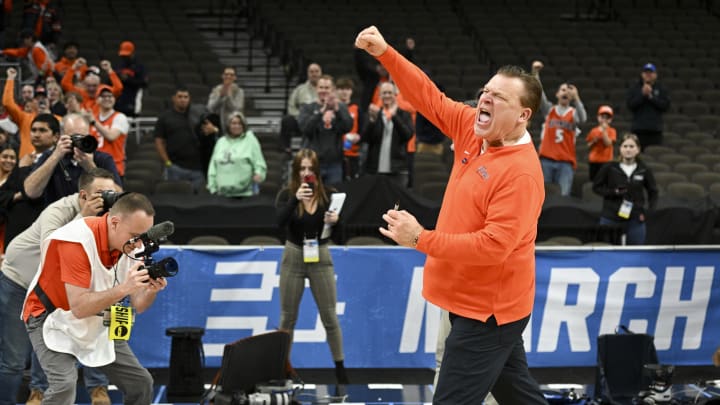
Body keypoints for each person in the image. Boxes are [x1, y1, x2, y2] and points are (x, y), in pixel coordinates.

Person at [356, 26, 548, 404]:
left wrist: (419, 238)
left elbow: (494, 247)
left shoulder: (522, 173)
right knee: (518, 396)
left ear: (523, 114)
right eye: (485, 92)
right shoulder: (473, 130)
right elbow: (429, 98)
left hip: (487, 314)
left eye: (499, 98)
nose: (485, 100)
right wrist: (386, 54)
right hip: (471, 303)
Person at [23, 192, 163, 403]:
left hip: (98, 316)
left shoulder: (134, 243)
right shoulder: (75, 240)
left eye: (143, 236)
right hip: (52, 316)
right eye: (135, 236)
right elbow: (79, 307)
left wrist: (150, 291)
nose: (138, 244)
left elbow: (139, 305)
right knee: (64, 385)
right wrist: (125, 288)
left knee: (141, 382)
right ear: (114, 222)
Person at [0, 168, 117, 405]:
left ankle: (97, 388)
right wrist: (83, 217)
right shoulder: (59, 210)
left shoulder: (111, 216)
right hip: (21, 280)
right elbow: (51, 251)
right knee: (14, 358)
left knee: (90, 332)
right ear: (83, 195)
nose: (106, 199)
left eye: (111, 194)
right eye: (100, 194)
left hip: (61, 289)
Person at [275, 148, 348, 384]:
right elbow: (278, 223)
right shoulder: (287, 194)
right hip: (294, 254)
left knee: (329, 317)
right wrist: (296, 199)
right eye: (302, 169)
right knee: (287, 318)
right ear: (297, 171)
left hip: (321, 255)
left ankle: (340, 369)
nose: (307, 173)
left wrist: (336, 223)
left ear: (317, 171)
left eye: (310, 169)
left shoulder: (328, 196)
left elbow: (341, 236)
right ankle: (281, 368)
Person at [23, 113, 122, 206]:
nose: (78, 142)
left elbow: (118, 197)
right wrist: (55, 157)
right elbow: (31, 192)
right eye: (73, 137)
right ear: (61, 136)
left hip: (93, 219)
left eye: (83, 137)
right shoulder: (50, 156)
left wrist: (91, 168)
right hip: (59, 218)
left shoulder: (102, 158)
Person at [592, 133, 658, 245]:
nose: (628, 149)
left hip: (635, 219)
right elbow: (596, 187)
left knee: (636, 256)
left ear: (638, 150)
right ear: (620, 149)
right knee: (607, 255)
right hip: (610, 217)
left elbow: (653, 192)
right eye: (625, 146)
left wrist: (648, 212)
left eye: (632, 146)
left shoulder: (644, 169)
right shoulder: (609, 167)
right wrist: (614, 192)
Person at [533, 61, 587, 196]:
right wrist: (535, 73)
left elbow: (583, 119)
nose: (565, 93)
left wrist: (577, 98)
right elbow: (539, 95)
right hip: (546, 160)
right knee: (542, 196)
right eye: (563, 90)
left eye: (568, 91)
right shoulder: (550, 111)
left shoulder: (573, 113)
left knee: (563, 196)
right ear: (557, 94)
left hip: (566, 163)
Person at [153, 87, 212, 192]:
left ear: (189, 99)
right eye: (180, 97)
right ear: (173, 99)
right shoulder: (165, 117)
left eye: (186, 97)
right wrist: (167, 163)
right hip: (175, 167)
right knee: (175, 201)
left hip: (198, 169)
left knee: (198, 202)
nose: (183, 99)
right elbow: (159, 142)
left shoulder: (197, 116)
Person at [297, 75, 353, 186]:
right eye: (321, 87)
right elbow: (305, 129)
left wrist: (337, 111)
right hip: (311, 165)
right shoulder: (307, 108)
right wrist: (321, 112)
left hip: (334, 164)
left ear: (332, 90)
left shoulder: (341, 108)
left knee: (333, 198)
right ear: (316, 89)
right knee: (310, 198)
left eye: (327, 88)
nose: (324, 90)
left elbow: (347, 127)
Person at [360, 82, 413, 183]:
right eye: (384, 93)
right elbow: (365, 138)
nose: (387, 96)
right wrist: (372, 121)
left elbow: (407, 136)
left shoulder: (404, 115)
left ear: (395, 95)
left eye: (389, 93)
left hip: (398, 170)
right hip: (374, 170)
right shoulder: (374, 114)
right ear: (379, 95)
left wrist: (394, 117)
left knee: (396, 199)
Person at [206, 111, 267, 198]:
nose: (237, 126)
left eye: (240, 123)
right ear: (228, 125)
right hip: (221, 195)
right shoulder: (221, 142)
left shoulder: (251, 140)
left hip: (245, 195)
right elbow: (213, 166)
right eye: (233, 123)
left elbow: (259, 163)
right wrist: (212, 188)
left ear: (244, 126)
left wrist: (259, 174)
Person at [279, 63, 322, 154]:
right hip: (302, 120)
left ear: (320, 73)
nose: (314, 74)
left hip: (320, 120)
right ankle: (286, 148)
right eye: (311, 72)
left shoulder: (325, 89)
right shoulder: (300, 89)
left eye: (316, 71)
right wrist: (299, 116)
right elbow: (291, 105)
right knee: (286, 120)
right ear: (308, 74)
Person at [626, 63, 671, 149]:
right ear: (642, 74)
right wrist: (642, 95)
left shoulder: (661, 89)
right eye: (646, 72)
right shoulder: (635, 88)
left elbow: (665, 106)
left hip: (655, 130)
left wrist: (651, 97)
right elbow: (630, 105)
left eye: (651, 72)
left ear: (655, 75)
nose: (648, 75)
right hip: (638, 129)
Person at [90, 85, 130, 178]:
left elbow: (111, 136)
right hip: (95, 167)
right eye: (103, 96)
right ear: (97, 100)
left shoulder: (120, 117)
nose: (107, 98)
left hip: (114, 167)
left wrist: (93, 122)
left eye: (110, 96)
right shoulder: (92, 118)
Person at [335, 78, 361, 181]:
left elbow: (362, 129)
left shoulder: (356, 108)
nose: (344, 92)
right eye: (341, 89)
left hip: (352, 152)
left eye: (347, 89)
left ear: (351, 91)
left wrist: (359, 136)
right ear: (336, 90)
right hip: (336, 154)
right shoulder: (333, 108)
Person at [115, 41, 148, 117]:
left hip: (133, 100)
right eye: (123, 56)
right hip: (119, 101)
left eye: (127, 55)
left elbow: (144, 83)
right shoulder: (119, 66)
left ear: (132, 53)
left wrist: (127, 79)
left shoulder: (140, 67)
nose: (125, 57)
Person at [207, 66, 245, 132]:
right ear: (222, 76)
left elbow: (237, 109)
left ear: (235, 77)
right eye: (226, 74)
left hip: (234, 126)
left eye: (231, 75)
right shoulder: (216, 90)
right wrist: (220, 96)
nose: (228, 77)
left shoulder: (239, 91)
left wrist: (228, 95)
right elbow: (210, 108)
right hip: (218, 125)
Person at [586, 105, 617, 182]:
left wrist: (604, 131)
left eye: (607, 118)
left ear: (610, 120)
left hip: (606, 161)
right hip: (594, 161)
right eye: (602, 117)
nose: (604, 119)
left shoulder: (612, 131)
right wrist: (594, 141)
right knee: (593, 182)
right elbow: (588, 146)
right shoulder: (593, 131)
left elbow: (608, 144)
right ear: (598, 117)